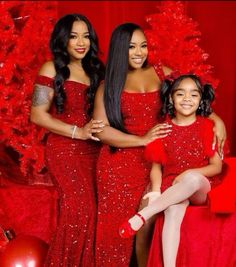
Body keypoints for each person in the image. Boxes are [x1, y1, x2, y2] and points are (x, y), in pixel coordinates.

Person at [93, 23, 226, 267]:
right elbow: (101, 131)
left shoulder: (161, 72)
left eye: (143, 46)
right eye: (131, 47)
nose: (139, 52)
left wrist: (217, 120)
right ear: (119, 49)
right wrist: (142, 140)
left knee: (147, 227)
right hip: (120, 164)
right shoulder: (108, 85)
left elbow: (189, 95)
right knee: (115, 235)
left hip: (161, 160)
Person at [119, 74, 223, 267]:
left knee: (192, 178)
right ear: (171, 98)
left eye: (193, 95)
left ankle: (143, 215)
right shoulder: (163, 129)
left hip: (201, 188)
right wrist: (156, 191)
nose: (187, 99)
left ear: (200, 100)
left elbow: (216, 166)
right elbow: (156, 166)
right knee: (173, 210)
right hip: (173, 187)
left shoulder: (207, 126)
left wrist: (188, 174)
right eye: (180, 94)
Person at [30, 14, 105, 266]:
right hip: (65, 150)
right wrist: (78, 132)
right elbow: (37, 115)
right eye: (73, 36)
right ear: (63, 40)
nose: (81, 42)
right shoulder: (51, 68)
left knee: (97, 214)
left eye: (85, 36)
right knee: (80, 212)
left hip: (96, 151)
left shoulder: (97, 70)